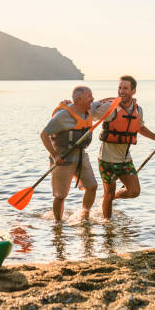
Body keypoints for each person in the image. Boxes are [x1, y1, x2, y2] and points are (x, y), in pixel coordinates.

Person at [93, 75, 155, 218]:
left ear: (133, 91)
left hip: (125, 160)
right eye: (120, 88)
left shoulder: (138, 110)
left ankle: (109, 197)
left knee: (134, 191)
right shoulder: (109, 108)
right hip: (106, 159)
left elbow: (139, 128)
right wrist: (70, 107)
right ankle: (108, 228)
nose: (121, 91)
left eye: (125, 88)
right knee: (108, 193)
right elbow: (88, 114)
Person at [40, 86, 98, 219]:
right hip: (63, 160)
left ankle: (84, 214)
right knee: (60, 196)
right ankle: (58, 224)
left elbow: (106, 102)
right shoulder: (62, 117)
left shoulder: (89, 108)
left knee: (92, 186)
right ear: (78, 99)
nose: (92, 99)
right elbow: (44, 135)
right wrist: (55, 155)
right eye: (89, 96)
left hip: (81, 157)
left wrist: (125, 100)